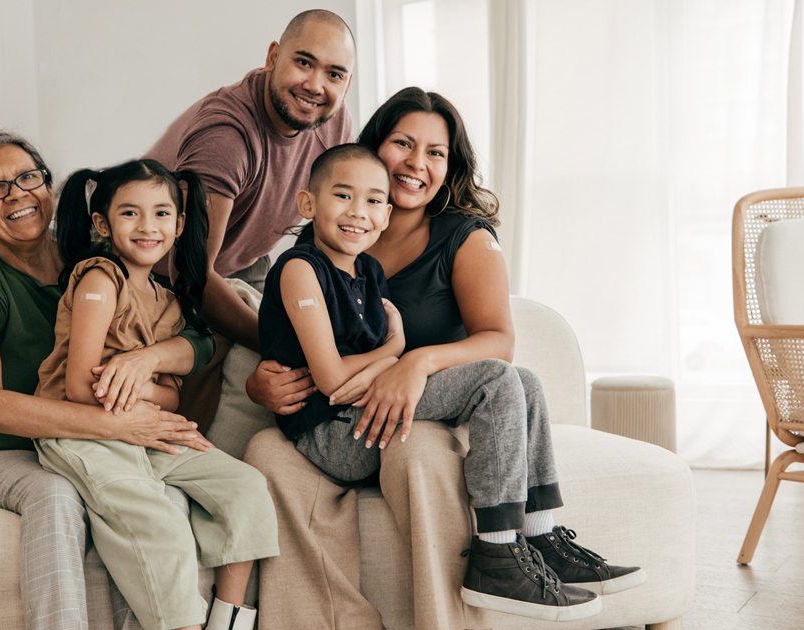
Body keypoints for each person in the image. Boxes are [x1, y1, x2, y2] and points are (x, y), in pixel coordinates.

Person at [244, 89, 646, 629]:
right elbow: (303, 343)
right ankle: (499, 553)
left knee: (517, 378)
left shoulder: (454, 238)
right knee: (506, 382)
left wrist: (415, 360)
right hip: (345, 417)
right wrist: (261, 382)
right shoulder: (338, 248)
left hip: (406, 400)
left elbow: (497, 342)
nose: (417, 163)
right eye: (403, 144)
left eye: (436, 152)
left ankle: (540, 535)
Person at [0, 132, 214, 630]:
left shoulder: (101, 259)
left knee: (165, 500)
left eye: (28, 178)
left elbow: (198, 336)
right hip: (5, 453)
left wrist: (150, 357)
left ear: (48, 188)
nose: (18, 194)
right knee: (56, 495)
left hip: (101, 448)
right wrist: (116, 427)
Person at [32, 159, 278, 630]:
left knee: (245, 486)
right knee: (156, 521)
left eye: (162, 213)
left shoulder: (168, 300)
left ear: (181, 223)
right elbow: (82, 387)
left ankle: (229, 619)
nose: (149, 226)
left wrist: (136, 376)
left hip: (144, 429)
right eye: (130, 213)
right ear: (102, 224)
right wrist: (142, 387)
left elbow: (170, 399)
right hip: (84, 434)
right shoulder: (99, 279)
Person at [144, 8, 356, 428]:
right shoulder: (227, 138)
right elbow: (190, 272)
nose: (316, 86)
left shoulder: (334, 125)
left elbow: (339, 236)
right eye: (303, 62)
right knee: (207, 366)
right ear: (273, 56)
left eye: (334, 74)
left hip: (244, 258)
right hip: (155, 269)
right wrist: (287, 343)